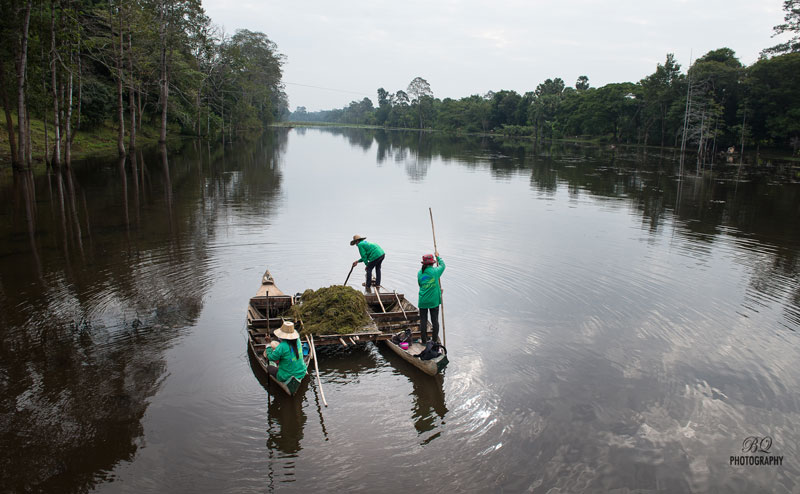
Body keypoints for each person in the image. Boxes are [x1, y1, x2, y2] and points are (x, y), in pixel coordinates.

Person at [418, 251, 445, 343]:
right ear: (432, 263)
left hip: (423, 300)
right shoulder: (435, 271)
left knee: (423, 321)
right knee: (435, 321)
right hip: (434, 301)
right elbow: (443, 265)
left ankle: (424, 340)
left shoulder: (419, 273)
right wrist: (438, 257)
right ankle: (434, 341)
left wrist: (437, 289)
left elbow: (420, 285)